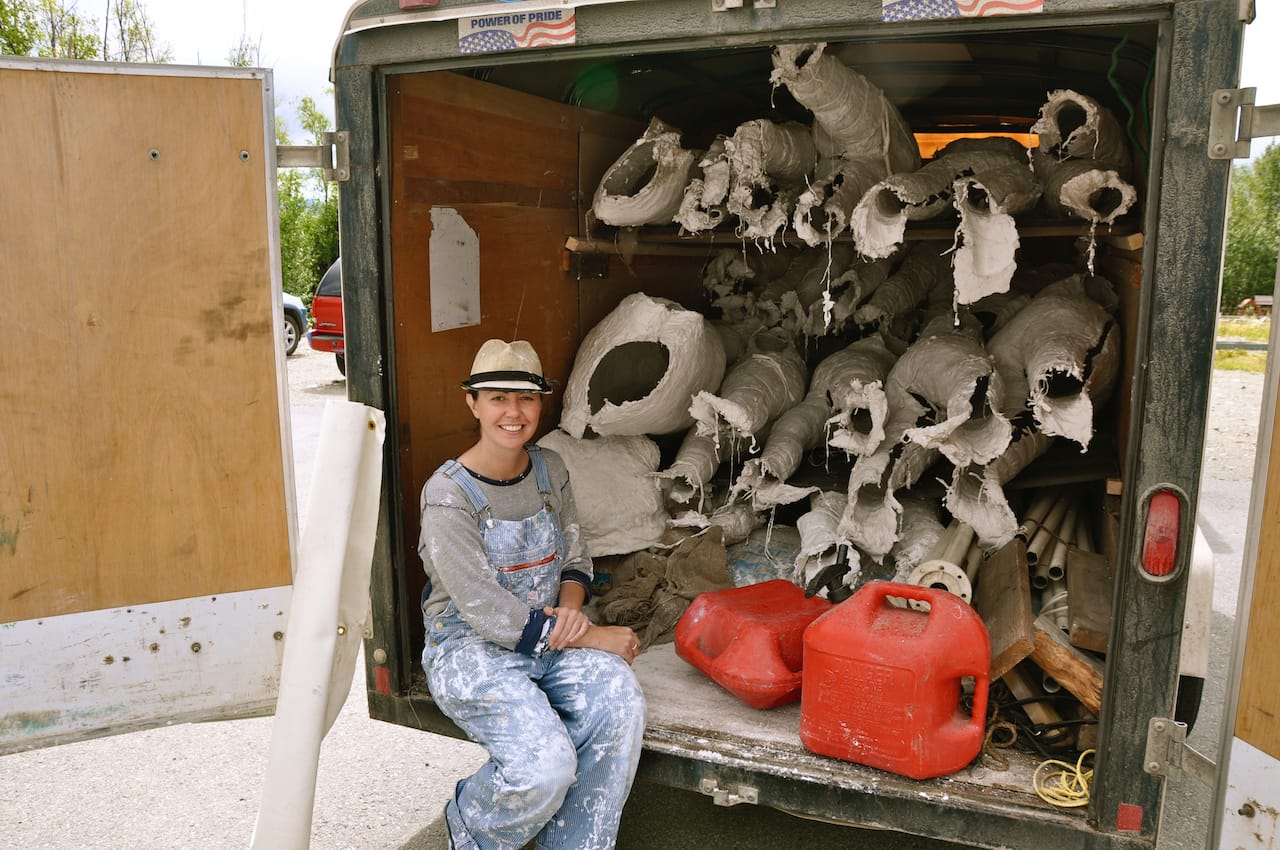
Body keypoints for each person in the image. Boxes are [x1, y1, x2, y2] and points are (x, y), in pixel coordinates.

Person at [418, 338, 647, 850]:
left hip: (550, 636)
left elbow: (576, 557)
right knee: (545, 768)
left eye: (527, 398)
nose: (514, 412)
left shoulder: (549, 468)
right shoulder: (448, 496)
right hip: (471, 650)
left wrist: (571, 613)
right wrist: (591, 637)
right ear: (472, 403)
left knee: (620, 702)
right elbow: (488, 612)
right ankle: (472, 826)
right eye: (498, 397)